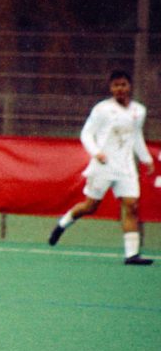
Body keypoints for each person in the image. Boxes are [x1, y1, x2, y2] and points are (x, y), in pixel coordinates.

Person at [48, 70, 155, 265]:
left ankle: (132, 255)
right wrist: (96, 152)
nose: (120, 89)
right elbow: (86, 134)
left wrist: (146, 158)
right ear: (111, 88)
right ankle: (63, 222)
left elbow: (136, 136)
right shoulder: (102, 109)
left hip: (126, 168)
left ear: (129, 86)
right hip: (103, 166)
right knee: (90, 206)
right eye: (116, 85)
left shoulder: (138, 111)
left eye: (123, 85)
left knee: (131, 206)